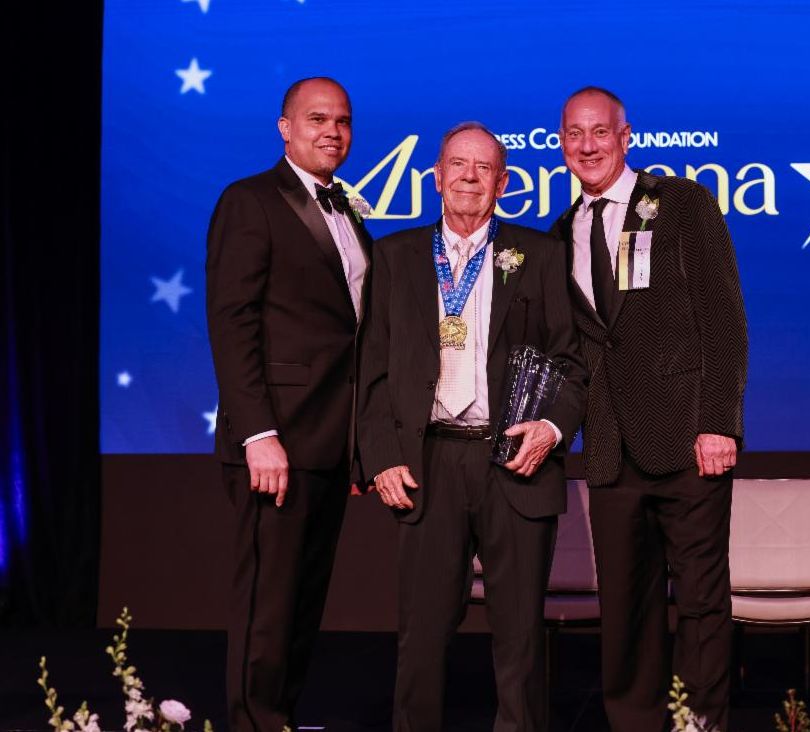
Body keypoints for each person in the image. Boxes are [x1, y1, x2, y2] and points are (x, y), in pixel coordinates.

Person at [357, 121, 587, 732]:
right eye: (457, 165)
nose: (468, 176)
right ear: (436, 177)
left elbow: (572, 361)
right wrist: (379, 455)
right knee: (423, 634)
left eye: (482, 168)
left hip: (513, 460)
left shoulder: (539, 254)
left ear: (503, 183)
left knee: (519, 638)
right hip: (427, 460)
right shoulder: (395, 256)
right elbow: (371, 369)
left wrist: (552, 428)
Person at [551, 86, 748, 732]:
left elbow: (721, 319)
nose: (586, 145)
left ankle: (698, 724)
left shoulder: (681, 203)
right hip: (608, 449)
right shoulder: (561, 232)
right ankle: (635, 724)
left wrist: (718, 420)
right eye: (574, 134)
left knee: (698, 601)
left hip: (688, 440)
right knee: (626, 609)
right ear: (560, 145)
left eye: (598, 132)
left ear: (625, 137)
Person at [205, 77, 371, 732]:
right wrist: (257, 434)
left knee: (302, 605)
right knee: (267, 606)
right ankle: (252, 722)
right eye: (316, 118)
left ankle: (277, 717)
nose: (332, 131)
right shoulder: (250, 201)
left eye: (343, 121)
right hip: (276, 443)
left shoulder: (348, 209)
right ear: (284, 127)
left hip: (331, 441)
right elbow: (232, 321)